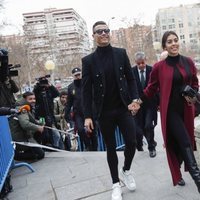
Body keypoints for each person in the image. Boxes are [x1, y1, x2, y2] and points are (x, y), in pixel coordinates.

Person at [81, 21, 140, 200]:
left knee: (132, 141)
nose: (104, 33)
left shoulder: (120, 54)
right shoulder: (88, 61)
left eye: (106, 30)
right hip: (104, 112)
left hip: (122, 108)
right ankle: (115, 184)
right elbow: (86, 90)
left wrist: (135, 99)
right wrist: (88, 116)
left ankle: (126, 170)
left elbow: (131, 79)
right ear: (94, 36)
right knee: (111, 148)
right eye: (99, 31)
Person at [141, 31, 200, 193]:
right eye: (169, 42)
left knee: (179, 143)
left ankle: (178, 171)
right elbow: (151, 88)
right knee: (186, 141)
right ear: (164, 46)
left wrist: (192, 93)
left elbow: (195, 83)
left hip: (186, 110)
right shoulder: (159, 67)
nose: (173, 43)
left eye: (175, 40)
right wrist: (137, 101)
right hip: (170, 112)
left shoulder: (188, 62)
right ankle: (198, 180)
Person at [132, 51, 158, 157]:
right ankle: (139, 146)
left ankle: (151, 147)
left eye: (142, 63)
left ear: (145, 60)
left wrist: (159, 103)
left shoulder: (152, 70)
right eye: (139, 64)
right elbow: (129, 87)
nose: (141, 65)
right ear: (135, 62)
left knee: (148, 126)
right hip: (137, 105)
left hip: (149, 104)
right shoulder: (132, 71)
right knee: (138, 129)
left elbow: (156, 87)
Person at [65, 67, 98, 151]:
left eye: (79, 74)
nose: (78, 76)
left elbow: (95, 97)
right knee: (80, 129)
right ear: (73, 76)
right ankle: (88, 145)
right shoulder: (71, 87)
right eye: (76, 75)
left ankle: (95, 148)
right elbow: (69, 102)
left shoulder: (88, 83)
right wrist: (66, 113)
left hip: (90, 112)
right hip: (78, 113)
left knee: (93, 132)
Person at [9, 91, 45, 161]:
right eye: (30, 99)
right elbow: (25, 124)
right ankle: (17, 155)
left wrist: (39, 123)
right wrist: (38, 127)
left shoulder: (27, 107)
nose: (33, 101)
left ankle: (32, 150)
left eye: (34, 99)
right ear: (25, 99)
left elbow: (30, 120)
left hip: (25, 135)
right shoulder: (22, 109)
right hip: (21, 139)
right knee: (40, 154)